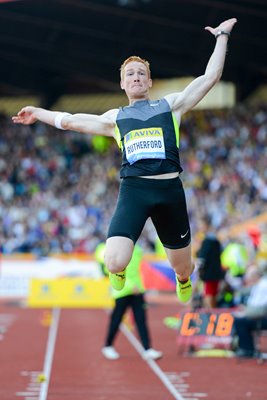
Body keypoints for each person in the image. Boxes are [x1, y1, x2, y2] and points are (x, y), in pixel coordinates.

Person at [12, 18, 237, 304]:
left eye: (141, 73)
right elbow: (69, 121)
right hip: (135, 191)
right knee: (114, 261)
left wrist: (221, 36)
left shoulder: (170, 106)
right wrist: (36, 111)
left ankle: (183, 278)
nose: (136, 77)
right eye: (130, 74)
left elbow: (210, 78)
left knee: (183, 266)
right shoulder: (115, 118)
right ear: (122, 83)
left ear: (149, 81)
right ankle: (118, 271)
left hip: (169, 192)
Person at [95, 242, 163, 360]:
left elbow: (136, 271)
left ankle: (147, 349)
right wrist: (131, 285)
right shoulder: (107, 247)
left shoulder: (137, 249)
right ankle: (108, 346)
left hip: (138, 289)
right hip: (121, 290)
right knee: (116, 319)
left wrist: (138, 286)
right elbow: (108, 269)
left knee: (141, 319)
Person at [233, 264, 267, 358]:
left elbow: (262, 308)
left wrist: (246, 313)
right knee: (240, 319)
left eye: (249, 277)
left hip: (262, 317)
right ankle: (247, 348)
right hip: (258, 315)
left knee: (240, 321)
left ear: (255, 276)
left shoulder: (263, 286)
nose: (248, 280)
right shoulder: (257, 285)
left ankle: (247, 349)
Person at [196, 216, 224, 308]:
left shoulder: (207, 241)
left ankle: (211, 318)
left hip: (209, 274)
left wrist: (199, 271)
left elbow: (202, 258)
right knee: (212, 295)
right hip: (215, 272)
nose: (199, 227)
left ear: (206, 225)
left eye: (201, 225)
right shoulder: (215, 240)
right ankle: (212, 316)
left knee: (209, 295)